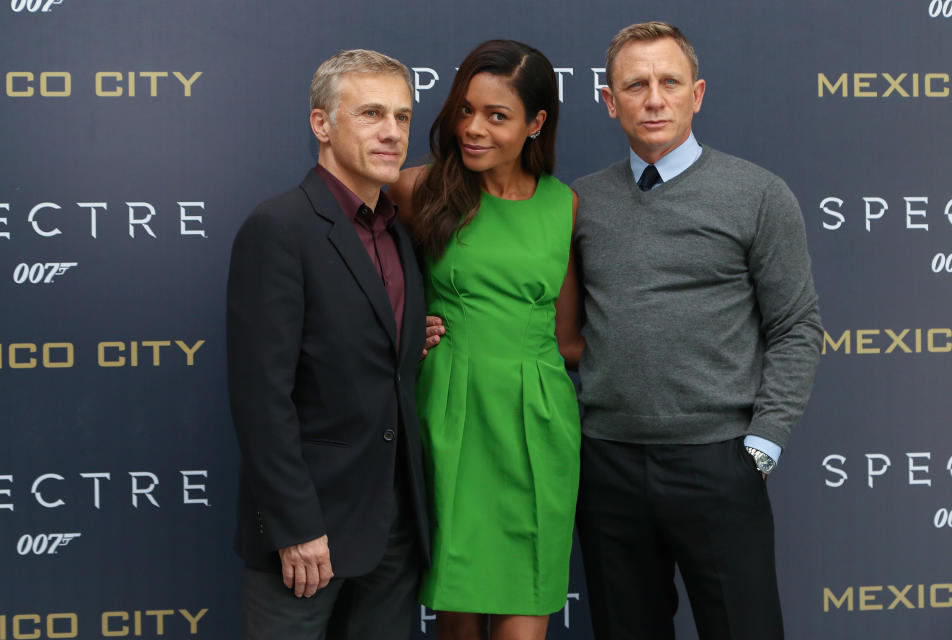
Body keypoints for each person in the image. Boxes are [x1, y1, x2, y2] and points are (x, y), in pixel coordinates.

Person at [571, 21, 823, 640]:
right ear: (610, 100)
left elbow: (796, 325)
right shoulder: (579, 203)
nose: (653, 98)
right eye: (635, 84)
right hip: (607, 466)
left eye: (669, 82)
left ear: (697, 94)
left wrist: (763, 444)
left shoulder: (758, 195)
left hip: (720, 462)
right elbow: (554, 325)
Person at [226, 49, 432, 640]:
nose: (392, 132)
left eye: (402, 116)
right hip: (308, 534)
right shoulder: (280, 227)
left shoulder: (399, 231)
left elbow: (377, 355)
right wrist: (294, 526)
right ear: (322, 124)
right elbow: (261, 396)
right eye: (371, 114)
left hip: (395, 527)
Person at [389, 39, 583, 640]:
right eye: (466, 109)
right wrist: (401, 334)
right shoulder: (413, 190)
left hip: (539, 420)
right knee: (458, 615)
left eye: (497, 116)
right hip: (449, 415)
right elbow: (359, 288)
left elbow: (568, 337)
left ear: (535, 123)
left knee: (527, 613)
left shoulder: (565, 205)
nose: (473, 128)